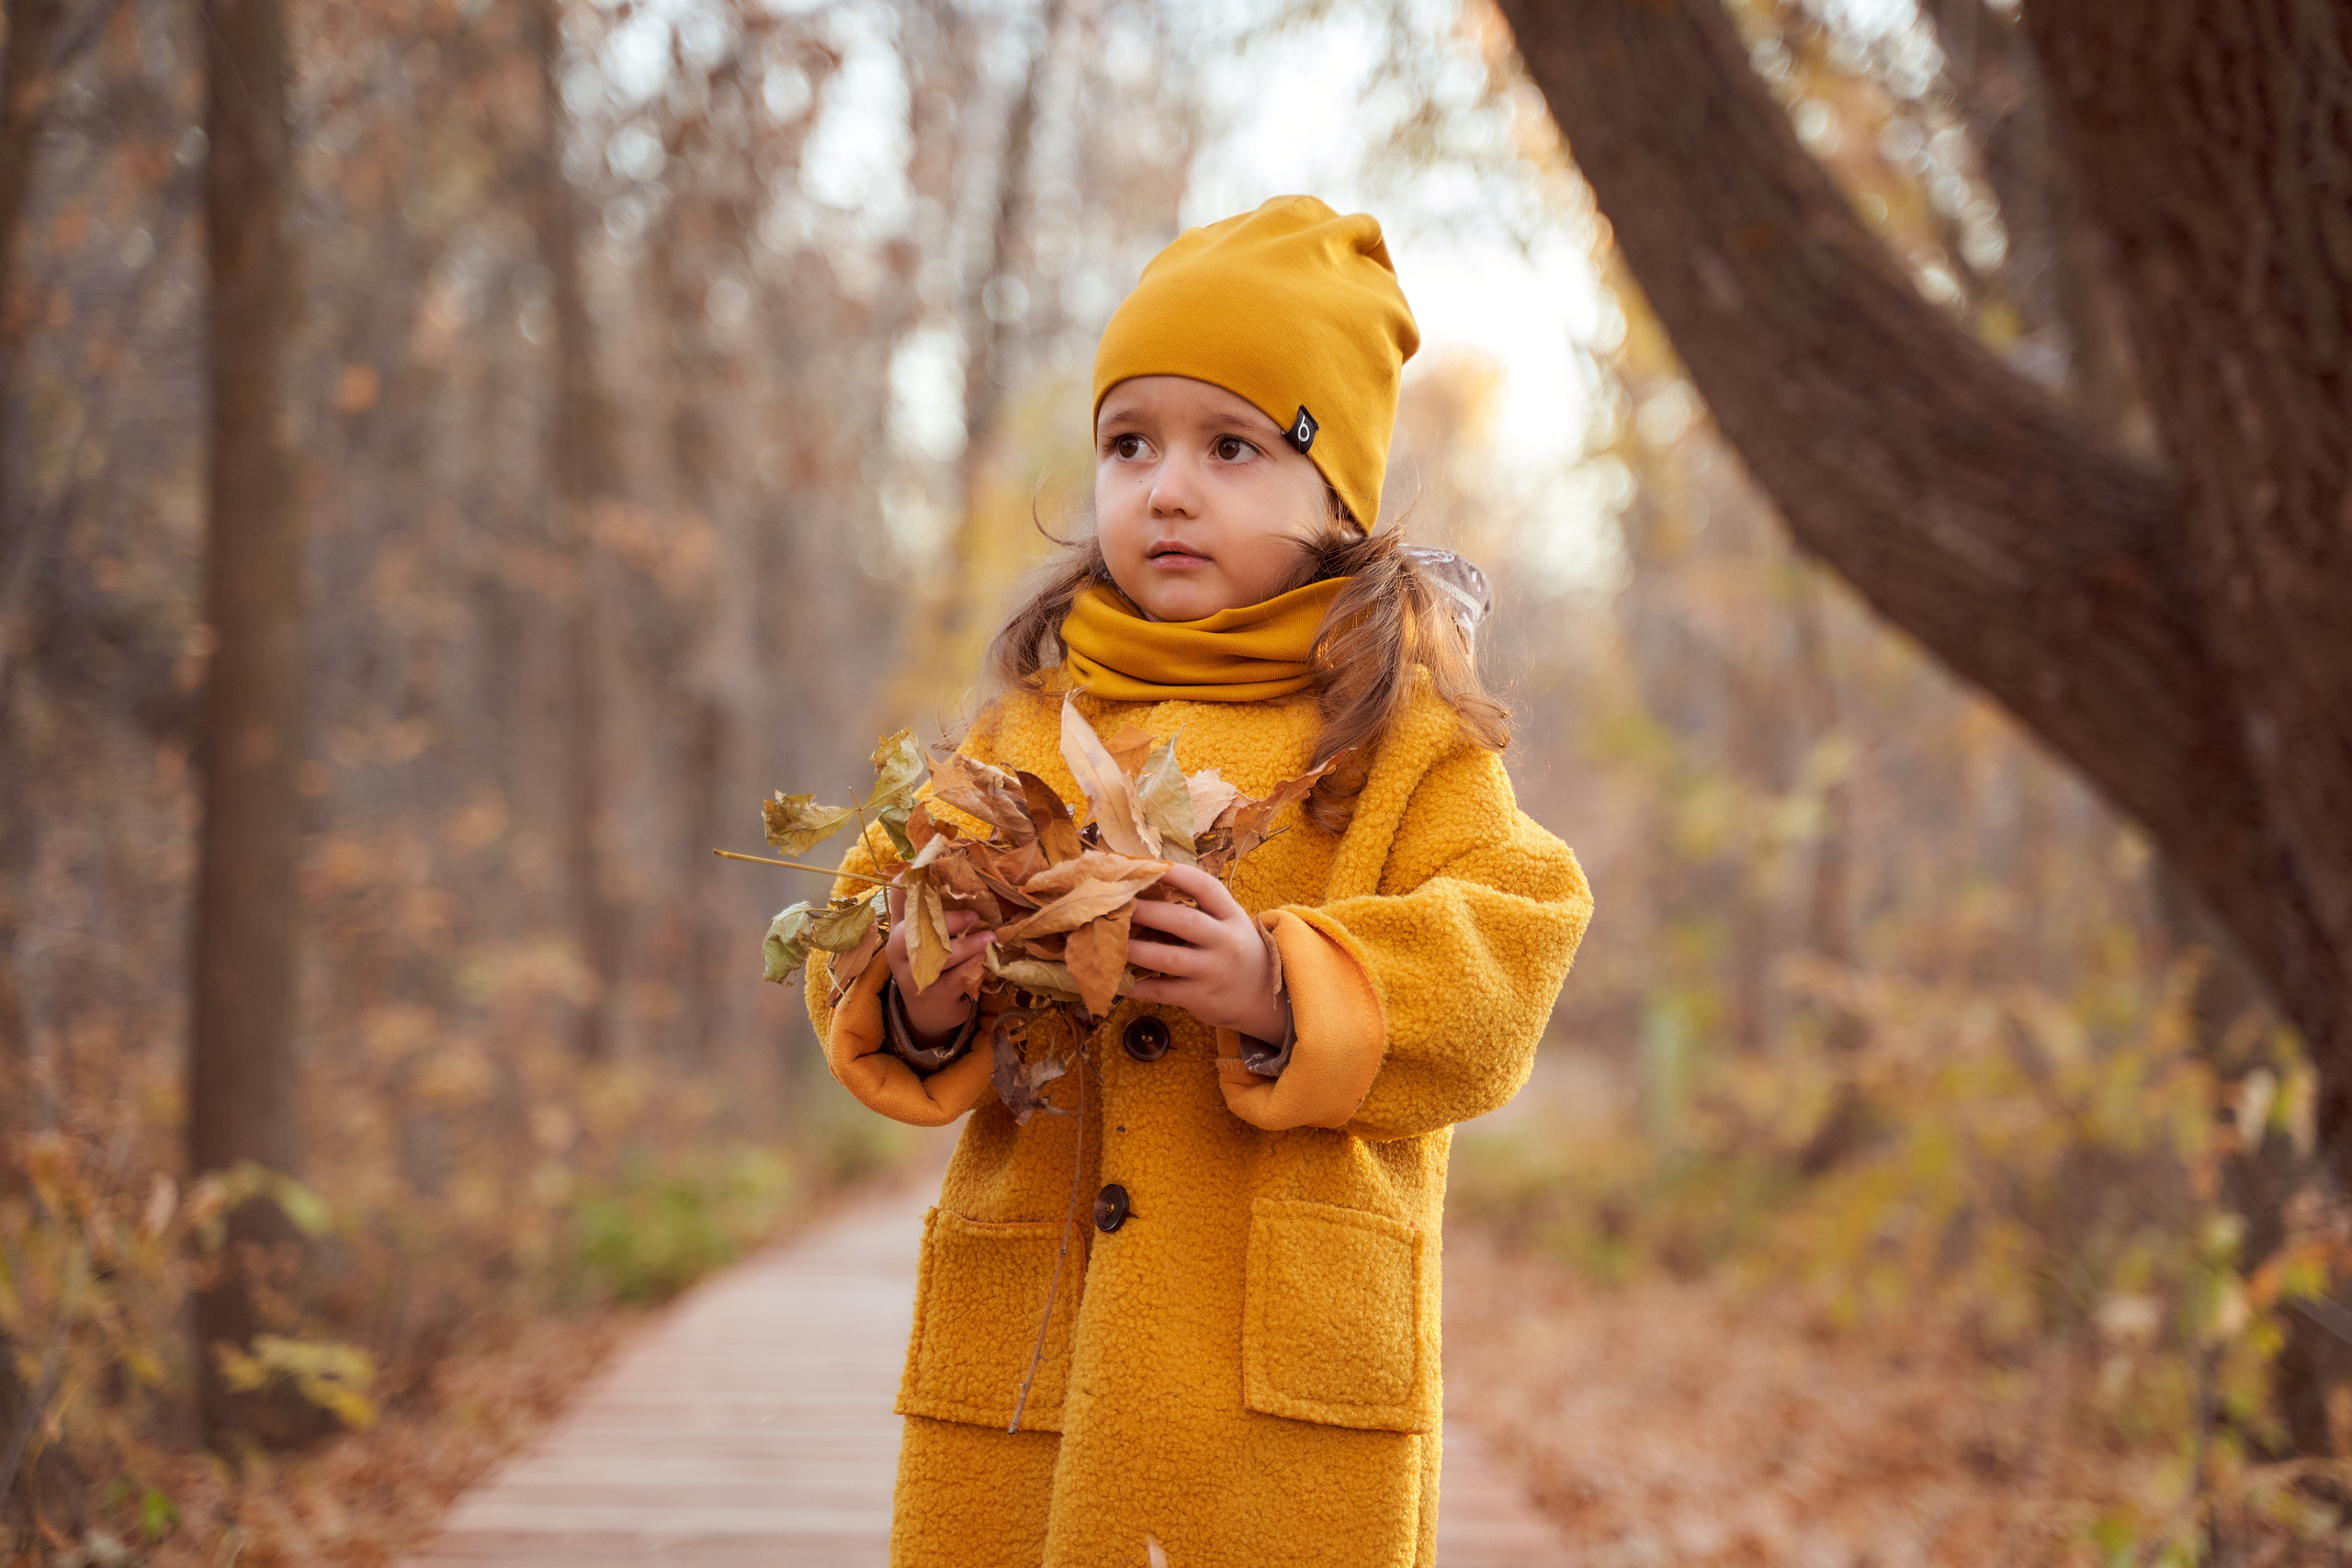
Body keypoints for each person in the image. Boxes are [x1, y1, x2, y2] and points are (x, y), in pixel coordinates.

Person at [805, 194, 1592, 1568]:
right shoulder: (1024, 733)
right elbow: (875, 919)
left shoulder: (1398, 734)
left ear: (1333, 493)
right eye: (1130, 444)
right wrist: (926, 988)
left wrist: (1283, 983)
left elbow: (1513, 947)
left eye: (1231, 445)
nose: (1166, 487)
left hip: (1268, 1386)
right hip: (1034, 1372)